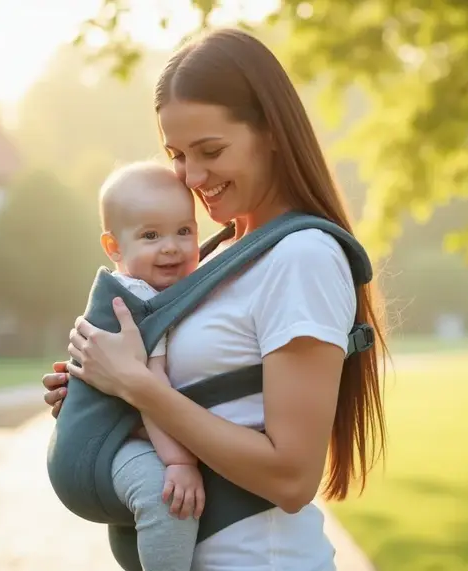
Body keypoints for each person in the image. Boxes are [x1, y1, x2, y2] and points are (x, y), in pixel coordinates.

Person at [44, 27, 387, 570]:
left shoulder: (302, 257)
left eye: (211, 151)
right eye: (177, 154)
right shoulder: (219, 255)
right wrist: (100, 400)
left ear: (270, 131)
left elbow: (292, 478)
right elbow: (198, 404)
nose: (193, 178)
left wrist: (134, 384)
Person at [96, 160, 205, 570]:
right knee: (169, 500)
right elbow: (150, 385)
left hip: (128, 434)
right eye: (151, 235)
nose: (172, 247)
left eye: (184, 230)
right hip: (115, 445)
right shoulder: (136, 303)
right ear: (114, 248)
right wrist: (180, 462)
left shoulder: (147, 290)